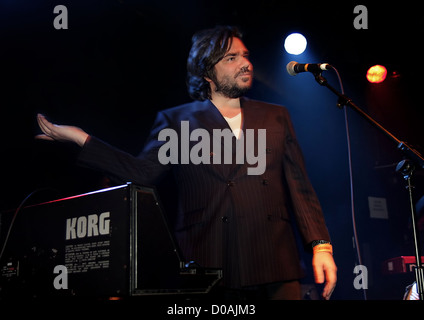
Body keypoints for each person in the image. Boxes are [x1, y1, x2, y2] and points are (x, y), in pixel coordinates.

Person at [36, 25, 337, 300]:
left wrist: (321, 245)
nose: (245, 63)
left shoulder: (275, 115)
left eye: (245, 55)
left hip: (275, 261)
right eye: (231, 58)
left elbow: (301, 187)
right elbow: (143, 173)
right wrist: (81, 138)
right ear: (208, 71)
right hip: (209, 264)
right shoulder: (177, 121)